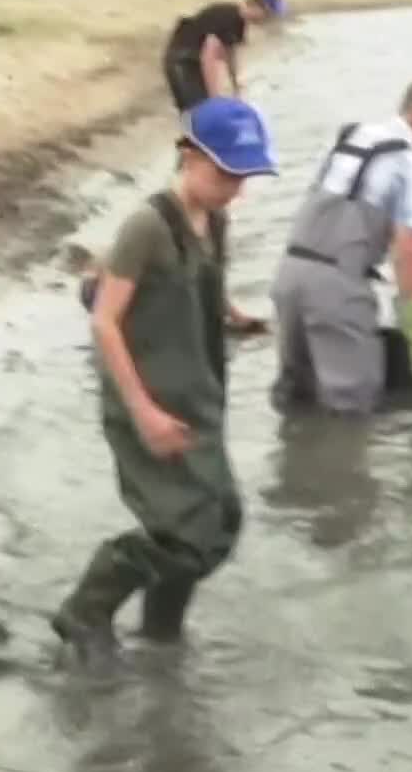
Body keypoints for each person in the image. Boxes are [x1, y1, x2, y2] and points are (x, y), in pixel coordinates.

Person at [52, 96, 279, 666]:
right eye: (225, 172)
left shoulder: (216, 220)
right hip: (146, 403)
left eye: (242, 176)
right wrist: (144, 412)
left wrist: (234, 315)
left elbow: (205, 277)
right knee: (183, 532)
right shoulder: (146, 226)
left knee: (221, 521)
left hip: (197, 398)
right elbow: (105, 322)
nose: (234, 187)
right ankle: (86, 609)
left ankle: (161, 631)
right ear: (187, 156)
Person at [270, 79, 412, 414]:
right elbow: (407, 250)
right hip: (336, 289)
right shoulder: (409, 165)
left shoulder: (352, 138)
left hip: (289, 276)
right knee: (351, 409)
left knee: (297, 398)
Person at [161, 0, 285, 113]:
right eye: (268, 15)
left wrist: (236, 84)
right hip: (181, 61)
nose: (268, 20)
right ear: (257, 6)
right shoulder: (228, 17)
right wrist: (215, 98)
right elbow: (208, 57)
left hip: (193, 62)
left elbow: (230, 54)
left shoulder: (239, 24)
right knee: (198, 111)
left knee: (203, 110)